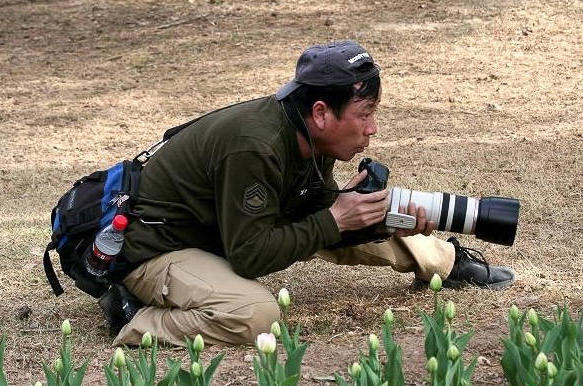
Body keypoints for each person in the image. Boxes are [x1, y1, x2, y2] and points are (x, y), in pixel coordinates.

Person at [100, 41, 516, 347]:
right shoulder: (256, 146)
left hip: (221, 232)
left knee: (361, 210)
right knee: (256, 315)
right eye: (364, 115)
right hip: (157, 249)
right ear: (321, 112)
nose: (372, 129)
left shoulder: (310, 138)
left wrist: (364, 214)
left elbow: (311, 215)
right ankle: (135, 317)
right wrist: (335, 218)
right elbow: (250, 255)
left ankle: (443, 262)